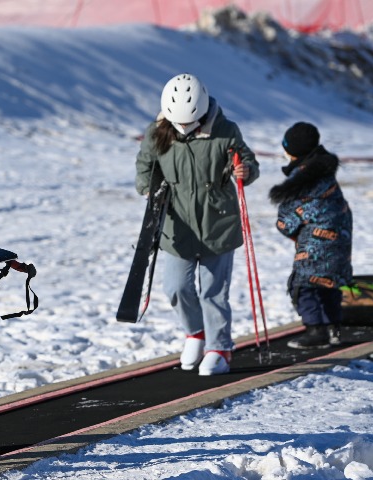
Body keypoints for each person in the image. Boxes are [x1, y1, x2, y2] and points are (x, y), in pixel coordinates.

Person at [135, 73, 259, 376]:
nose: (184, 128)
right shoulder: (157, 133)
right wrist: (147, 188)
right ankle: (196, 333)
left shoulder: (225, 131)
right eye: (179, 123)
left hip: (218, 224)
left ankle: (220, 348)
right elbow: (145, 166)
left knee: (213, 292)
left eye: (190, 123)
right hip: (178, 226)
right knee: (176, 287)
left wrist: (244, 170)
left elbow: (248, 163)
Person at [269, 122, 352, 349]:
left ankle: (316, 330)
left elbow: (286, 221)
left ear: (291, 151)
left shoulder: (301, 180)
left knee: (303, 284)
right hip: (340, 237)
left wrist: (287, 227)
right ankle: (333, 328)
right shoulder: (325, 173)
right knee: (328, 282)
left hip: (317, 243)